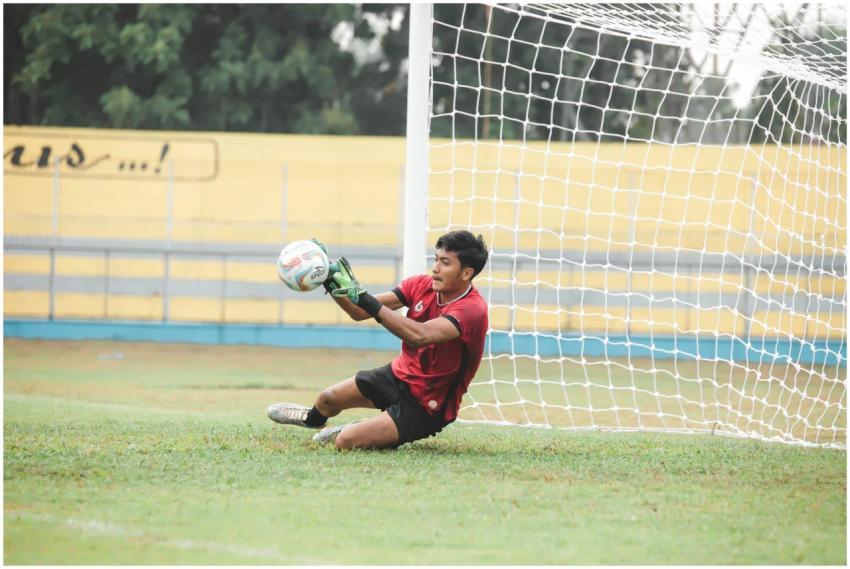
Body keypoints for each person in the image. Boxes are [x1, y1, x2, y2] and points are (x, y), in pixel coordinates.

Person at [267, 230, 489, 450]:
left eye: (445, 263)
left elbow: (420, 336)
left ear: (466, 273)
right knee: (327, 398)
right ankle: (312, 419)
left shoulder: (471, 308)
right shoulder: (421, 285)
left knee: (346, 442)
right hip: (399, 375)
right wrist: (328, 278)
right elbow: (360, 311)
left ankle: (359, 429)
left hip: (429, 404)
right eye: (436, 259)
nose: (435, 268)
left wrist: (364, 297)